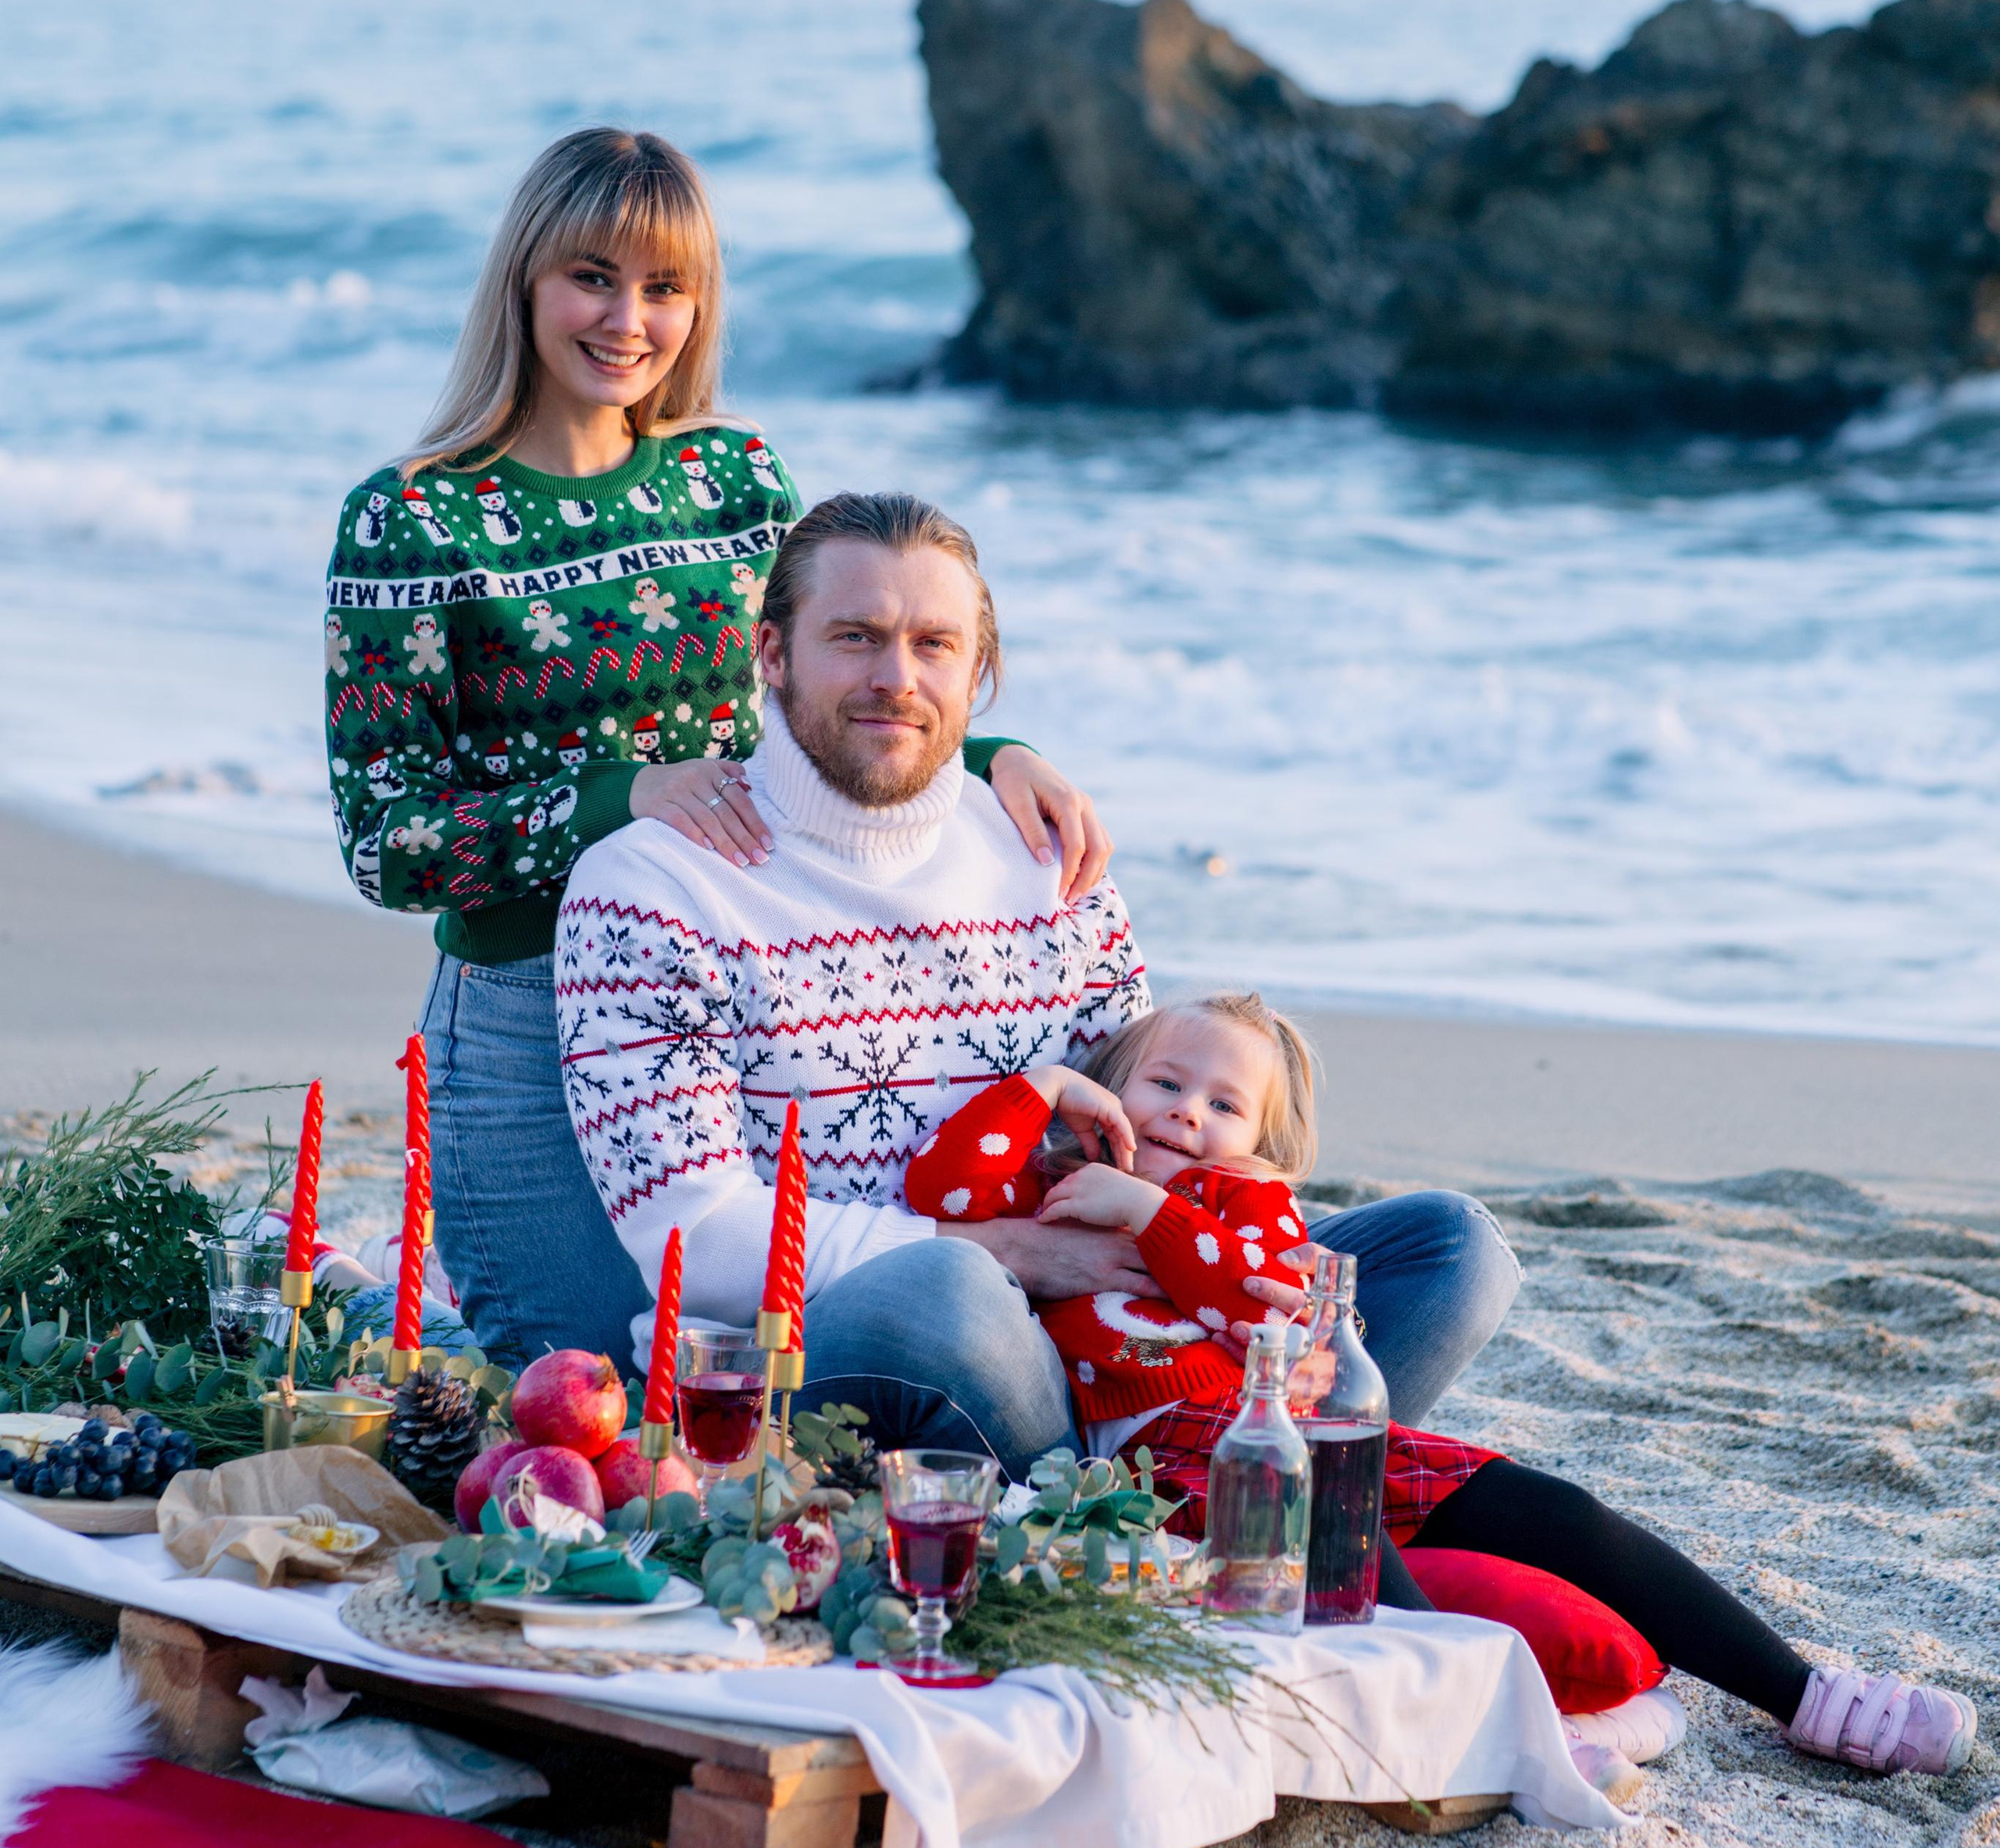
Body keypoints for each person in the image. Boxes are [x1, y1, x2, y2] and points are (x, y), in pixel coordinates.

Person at [323, 130, 1106, 1374]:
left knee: (733, 1359)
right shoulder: (411, 516)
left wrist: (989, 750)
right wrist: (622, 795)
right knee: (578, 1376)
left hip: (724, 991)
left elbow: (823, 678)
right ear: (525, 280)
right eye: (593, 278)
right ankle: (346, 1292)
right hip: (525, 1009)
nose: (628, 320)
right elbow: (386, 845)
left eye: (665, 288)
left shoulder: (732, 476)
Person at [555, 489, 1522, 1482]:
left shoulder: (1047, 853)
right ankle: (1137, 1502)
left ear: (979, 672)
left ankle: (1206, 1459)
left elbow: (1142, 1141)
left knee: (1451, 1250)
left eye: (934, 645)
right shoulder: (652, 886)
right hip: (824, 1348)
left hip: (1098, 1332)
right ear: (771, 652)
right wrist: (1008, 1249)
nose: (896, 677)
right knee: (948, 1287)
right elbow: (699, 1242)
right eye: (855, 637)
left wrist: (1243, 1254)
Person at [906, 991, 1977, 1785]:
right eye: (1165, 1085)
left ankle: (1810, 1694)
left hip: (1285, 1419)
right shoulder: (1053, 1187)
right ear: (1114, 1088)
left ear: (1260, 1141)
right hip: (1153, 1464)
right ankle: (1503, 1729)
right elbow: (939, 1190)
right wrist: (1047, 1089)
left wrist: (1147, 1213)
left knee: (1553, 1511)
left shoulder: (1247, 1204)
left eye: (1225, 1104)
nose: (1189, 1114)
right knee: (1338, 1539)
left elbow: (1256, 1305)